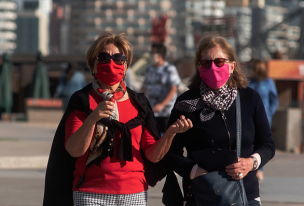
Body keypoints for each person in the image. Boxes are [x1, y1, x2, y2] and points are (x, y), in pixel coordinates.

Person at [43, 31, 192, 206]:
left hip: (134, 193)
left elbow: (153, 155)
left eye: (119, 58)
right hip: (91, 194)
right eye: (104, 57)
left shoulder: (140, 103)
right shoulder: (83, 100)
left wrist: (171, 133)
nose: (111, 63)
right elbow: (74, 150)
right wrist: (92, 118)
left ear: (126, 65)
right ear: (93, 64)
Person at [161, 35, 276, 206]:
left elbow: (267, 145)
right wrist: (194, 171)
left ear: (232, 66)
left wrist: (251, 163)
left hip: (245, 194)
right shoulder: (186, 103)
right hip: (201, 194)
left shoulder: (250, 98)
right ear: (199, 66)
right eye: (206, 63)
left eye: (219, 62)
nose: (213, 67)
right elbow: (170, 152)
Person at [248, 59, 279, 181]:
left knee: (262, 143)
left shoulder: (268, 82)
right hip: (250, 118)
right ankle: (252, 166)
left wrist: (270, 113)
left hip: (265, 118)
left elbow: (274, 100)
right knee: (251, 142)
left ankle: (260, 169)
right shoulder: (250, 82)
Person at [141, 43, 181, 133]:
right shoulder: (149, 69)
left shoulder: (169, 69)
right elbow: (144, 88)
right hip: (150, 112)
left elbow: (173, 89)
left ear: (160, 55)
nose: (150, 55)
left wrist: (162, 105)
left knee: (164, 137)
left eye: (153, 53)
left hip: (165, 113)